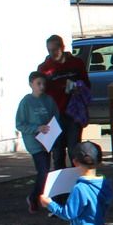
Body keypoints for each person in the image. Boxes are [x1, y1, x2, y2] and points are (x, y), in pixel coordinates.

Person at [38, 35, 90, 170]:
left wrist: (78, 87)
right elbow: (41, 92)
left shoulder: (76, 63)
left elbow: (87, 85)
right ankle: (60, 186)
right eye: (49, 50)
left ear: (62, 47)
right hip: (54, 115)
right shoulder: (44, 68)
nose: (52, 53)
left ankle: (76, 181)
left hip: (74, 112)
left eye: (55, 50)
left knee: (74, 150)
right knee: (58, 152)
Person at [15, 71, 58, 211]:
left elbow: (55, 118)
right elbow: (20, 124)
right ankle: (34, 197)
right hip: (34, 142)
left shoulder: (49, 100)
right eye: (38, 83)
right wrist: (37, 128)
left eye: (43, 84)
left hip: (47, 140)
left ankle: (38, 197)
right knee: (43, 170)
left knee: (45, 170)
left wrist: (52, 129)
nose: (41, 87)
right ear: (31, 84)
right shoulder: (26, 102)